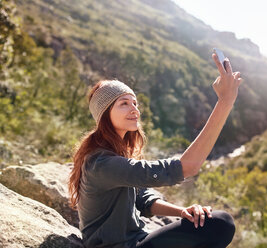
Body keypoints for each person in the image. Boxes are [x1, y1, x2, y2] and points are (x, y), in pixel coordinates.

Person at [68, 52, 242, 248]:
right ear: (104, 115)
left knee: (211, 222)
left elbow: (142, 198)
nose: (134, 109)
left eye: (134, 102)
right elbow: (188, 167)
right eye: (123, 103)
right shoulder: (101, 163)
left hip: (137, 241)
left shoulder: (114, 154)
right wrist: (225, 102)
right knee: (221, 223)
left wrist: (182, 211)